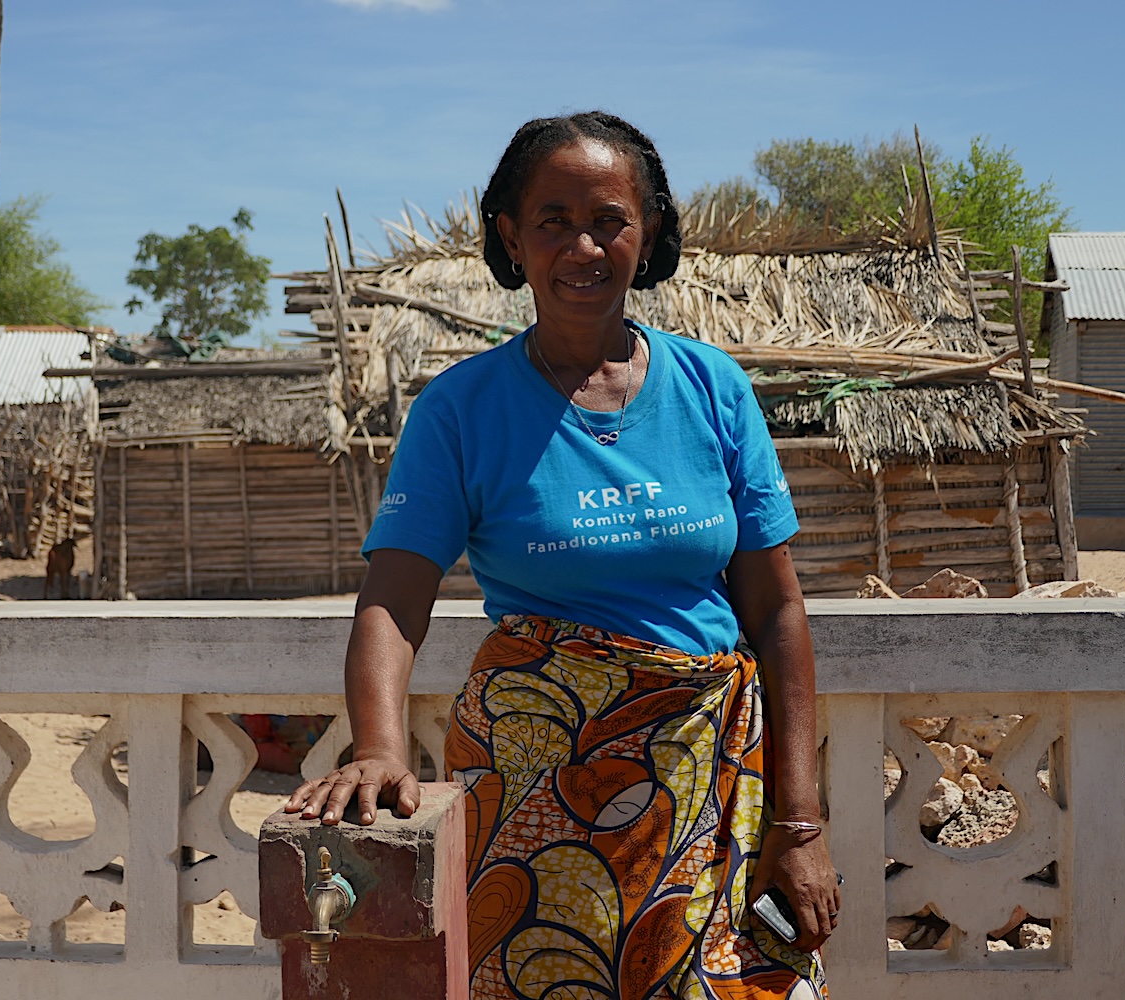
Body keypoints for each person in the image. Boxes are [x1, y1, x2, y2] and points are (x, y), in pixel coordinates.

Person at [286, 111, 838, 999]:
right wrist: (380, 745)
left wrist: (798, 824)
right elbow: (394, 599)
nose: (583, 245)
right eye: (553, 220)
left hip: (710, 785)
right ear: (510, 235)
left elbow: (777, 613)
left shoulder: (713, 389)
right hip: (536, 790)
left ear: (648, 231)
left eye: (609, 220)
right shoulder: (460, 410)